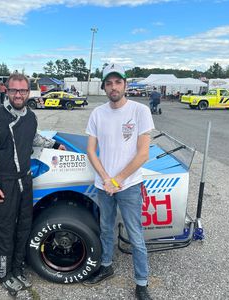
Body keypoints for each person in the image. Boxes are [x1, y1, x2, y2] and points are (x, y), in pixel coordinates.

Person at [0, 73, 66, 295]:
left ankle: (17, 268)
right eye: (14, 90)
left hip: (25, 180)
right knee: (4, 231)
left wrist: (55, 144)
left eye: (23, 91)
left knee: (24, 227)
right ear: (7, 90)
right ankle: (3, 274)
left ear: (28, 93)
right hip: (3, 183)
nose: (18, 94)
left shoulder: (30, 116)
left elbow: (34, 138)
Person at [83, 63, 154, 300]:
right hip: (105, 185)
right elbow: (91, 150)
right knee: (105, 228)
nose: (113, 87)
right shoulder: (97, 113)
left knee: (135, 234)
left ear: (125, 84)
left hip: (130, 185)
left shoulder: (140, 111)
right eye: (109, 83)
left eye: (118, 82)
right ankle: (106, 266)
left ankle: (141, 283)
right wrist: (106, 179)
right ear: (104, 86)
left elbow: (143, 153)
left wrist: (118, 180)